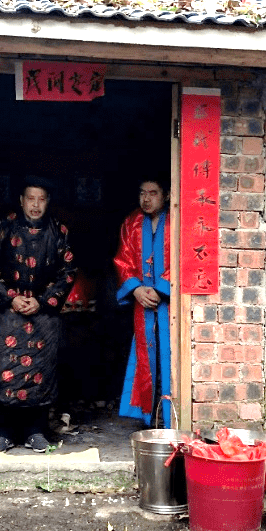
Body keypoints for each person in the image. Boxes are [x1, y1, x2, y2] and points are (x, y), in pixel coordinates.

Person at [0, 177, 76, 453]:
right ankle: (3, 432)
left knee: (41, 371)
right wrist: (11, 297)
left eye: (41, 199)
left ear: (48, 202)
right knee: (2, 368)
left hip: (43, 313)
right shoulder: (4, 227)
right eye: (30, 198)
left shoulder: (59, 231)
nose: (35, 205)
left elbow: (68, 272)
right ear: (21, 200)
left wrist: (43, 301)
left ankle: (36, 431)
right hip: (8, 312)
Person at [114, 177, 171, 428]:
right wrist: (136, 289)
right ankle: (149, 416)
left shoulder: (177, 221)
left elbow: (184, 259)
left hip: (170, 305)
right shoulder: (132, 222)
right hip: (142, 303)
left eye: (153, 193)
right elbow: (123, 259)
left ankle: (169, 416)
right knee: (145, 355)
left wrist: (162, 289)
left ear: (166, 195)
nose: (146, 199)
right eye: (142, 193)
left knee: (169, 356)